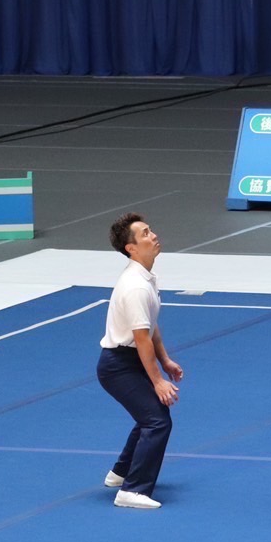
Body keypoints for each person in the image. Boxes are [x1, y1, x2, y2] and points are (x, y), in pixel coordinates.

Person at [97, 212, 183, 511]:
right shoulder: (135, 286)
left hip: (130, 360)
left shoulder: (145, 277)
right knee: (157, 421)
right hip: (119, 365)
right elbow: (141, 338)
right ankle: (132, 490)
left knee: (151, 415)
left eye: (150, 230)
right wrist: (158, 381)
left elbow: (150, 326)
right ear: (131, 248)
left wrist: (165, 360)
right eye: (145, 233)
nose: (153, 235)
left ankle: (121, 473)